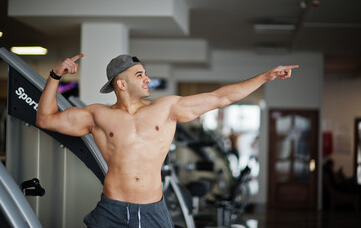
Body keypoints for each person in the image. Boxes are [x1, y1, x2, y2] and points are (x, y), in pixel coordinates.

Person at [36, 53, 298, 227]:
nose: (147, 78)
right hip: (112, 210)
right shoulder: (97, 115)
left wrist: (265, 77)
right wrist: (55, 75)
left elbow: (221, 98)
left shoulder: (166, 108)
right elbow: (45, 119)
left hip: (153, 211)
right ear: (121, 84)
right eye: (140, 75)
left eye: (145, 73)